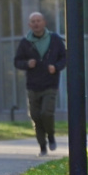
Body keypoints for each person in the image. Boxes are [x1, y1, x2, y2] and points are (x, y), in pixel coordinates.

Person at [13, 12, 66, 157]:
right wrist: (26, 64)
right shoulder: (25, 42)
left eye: (38, 20)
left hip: (50, 84)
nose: (36, 24)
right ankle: (42, 146)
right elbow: (17, 61)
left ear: (44, 22)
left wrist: (56, 67)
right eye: (33, 21)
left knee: (46, 113)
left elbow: (64, 57)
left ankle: (51, 136)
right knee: (36, 116)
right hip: (33, 85)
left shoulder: (54, 39)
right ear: (29, 25)